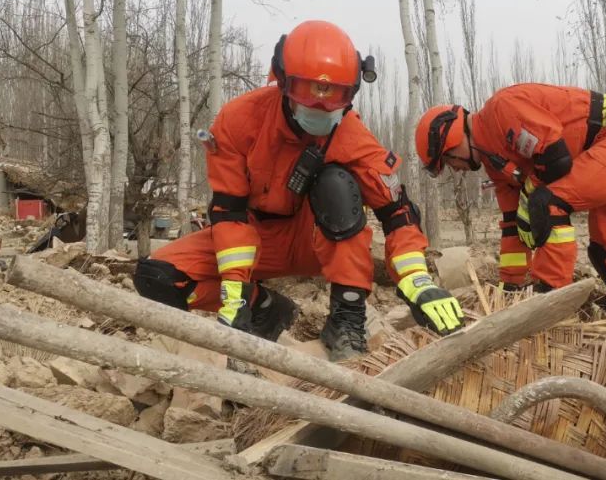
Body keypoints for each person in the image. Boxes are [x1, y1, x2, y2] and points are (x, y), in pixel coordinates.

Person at [134, 20, 463, 361]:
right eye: (310, 94)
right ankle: (265, 308)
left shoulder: (351, 135)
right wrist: (235, 293)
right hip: (253, 237)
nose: (320, 107)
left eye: (333, 96)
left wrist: (418, 282)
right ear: (283, 82)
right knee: (158, 277)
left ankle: (347, 319)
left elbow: (397, 213)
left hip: (314, 239)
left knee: (337, 184)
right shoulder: (239, 121)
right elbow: (228, 213)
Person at [415, 84, 606, 336]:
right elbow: (513, 227)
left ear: (453, 140)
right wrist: (508, 289)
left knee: (548, 204)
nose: (454, 168)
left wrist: (529, 192)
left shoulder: (501, 111)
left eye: (447, 160)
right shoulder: (494, 164)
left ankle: (552, 300)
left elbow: (556, 160)